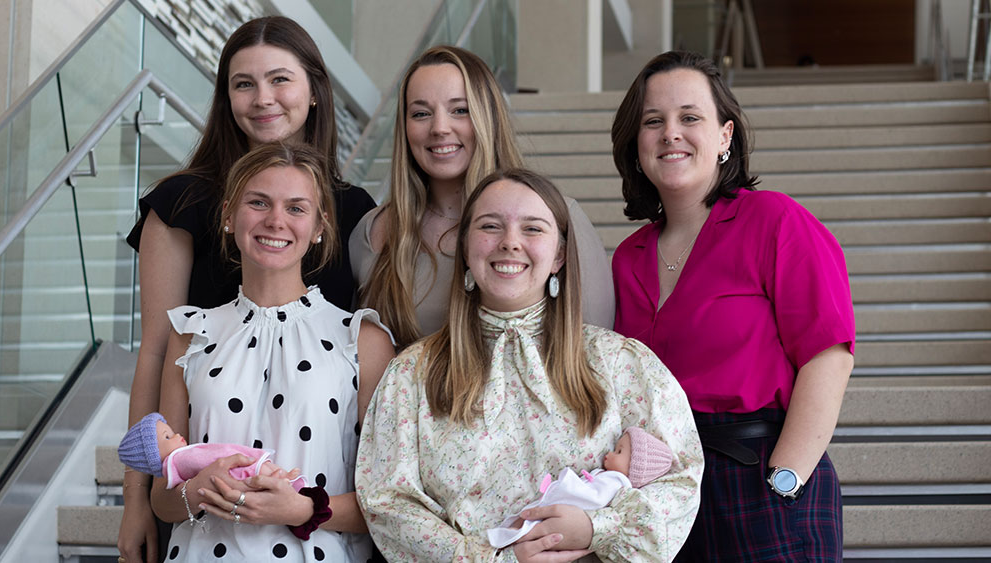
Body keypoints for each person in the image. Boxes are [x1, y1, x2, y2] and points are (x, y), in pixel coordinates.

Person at [119, 16, 376, 563]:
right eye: (243, 83)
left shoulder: (354, 211)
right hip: (207, 499)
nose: (263, 99)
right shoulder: (182, 203)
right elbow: (155, 351)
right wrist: (137, 500)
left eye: (280, 79)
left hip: (315, 511)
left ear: (313, 93)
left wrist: (310, 506)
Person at [356, 168, 703, 562]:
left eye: (533, 229)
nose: (510, 243)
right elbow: (387, 501)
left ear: (558, 255)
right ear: (465, 247)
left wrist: (596, 530)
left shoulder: (620, 362)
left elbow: (680, 479)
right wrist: (495, 560)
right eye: (490, 226)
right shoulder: (411, 375)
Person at [609, 51, 855, 561]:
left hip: (763, 478)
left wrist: (786, 476)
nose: (670, 133)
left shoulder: (775, 221)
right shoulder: (628, 258)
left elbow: (828, 354)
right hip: (665, 487)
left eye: (690, 117)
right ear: (636, 144)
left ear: (725, 136)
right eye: (653, 121)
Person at [147, 142, 394, 562]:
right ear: (229, 215)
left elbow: (388, 503)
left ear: (320, 225)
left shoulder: (363, 339)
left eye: (296, 208)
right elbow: (163, 501)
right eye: (258, 202)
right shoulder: (190, 335)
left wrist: (302, 508)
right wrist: (201, 486)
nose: (276, 221)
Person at [350, 45, 614, 348]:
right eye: (421, 113)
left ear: (487, 117)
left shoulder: (555, 219)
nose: (439, 128)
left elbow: (596, 351)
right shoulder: (373, 232)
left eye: (459, 110)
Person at [487, 427, 674, 549]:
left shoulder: (616, 483)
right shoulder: (608, 476)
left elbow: (592, 500)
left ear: (635, 467)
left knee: (528, 528)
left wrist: (570, 483)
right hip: (561, 509)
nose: (609, 454)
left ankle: (502, 541)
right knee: (524, 522)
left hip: (565, 513)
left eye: (619, 451)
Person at [118, 412, 307, 491]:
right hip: (233, 470)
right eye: (168, 438)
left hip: (232, 466)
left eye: (172, 432)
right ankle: (285, 480)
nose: (177, 436)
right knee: (257, 468)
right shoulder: (182, 459)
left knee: (261, 467)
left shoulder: (180, 459)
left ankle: (284, 478)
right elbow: (207, 461)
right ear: (154, 456)